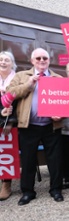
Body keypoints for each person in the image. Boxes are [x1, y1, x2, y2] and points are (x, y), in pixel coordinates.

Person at [7, 48, 64, 205]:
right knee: (28, 160)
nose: (41, 60)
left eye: (44, 57)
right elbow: (10, 93)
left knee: (55, 160)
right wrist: (28, 84)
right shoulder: (21, 76)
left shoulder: (57, 78)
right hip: (28, 126)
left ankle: (56, 189)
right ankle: (27, 192)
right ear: (32, 61)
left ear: (49, 60)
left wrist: (61, 115)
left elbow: (65, 102)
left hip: (51, 126)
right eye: (37, 58)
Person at [0, 51, 17, 201]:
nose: (3, 62)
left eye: (7, 60)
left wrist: (11, 120)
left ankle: (6, 184)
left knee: (6, 152)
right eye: (1, 60)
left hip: (9, 122)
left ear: (12, 63)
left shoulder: (16, 79)